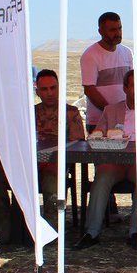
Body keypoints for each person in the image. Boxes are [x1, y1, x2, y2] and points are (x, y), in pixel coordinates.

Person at [76, 71, 137, 250]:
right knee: (102, 174)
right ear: (125, 88)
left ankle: (136, 232)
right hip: (116, 162)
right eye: (134, 85)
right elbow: (97, 137)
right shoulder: (110, 110)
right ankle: (92, 232)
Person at [33, 69, 85, 224]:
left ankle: (52, 228)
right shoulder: (30, 113)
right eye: (44, 89)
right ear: (38, 92)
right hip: (31, 163)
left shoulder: (70, 113)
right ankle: (11, 229)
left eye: (53, 88)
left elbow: (77, 144)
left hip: (56, 164)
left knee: (51, 179)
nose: (49, 93)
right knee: (0, 177)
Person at [80, 11, 131, 131]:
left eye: (119, 28)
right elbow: (89, 90)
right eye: (112, 30)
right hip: (99, 121)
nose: (118, 33)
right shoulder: (90, 55)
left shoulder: (127, 52)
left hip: (125, 119)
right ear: (101, 31)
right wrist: (111, 113)